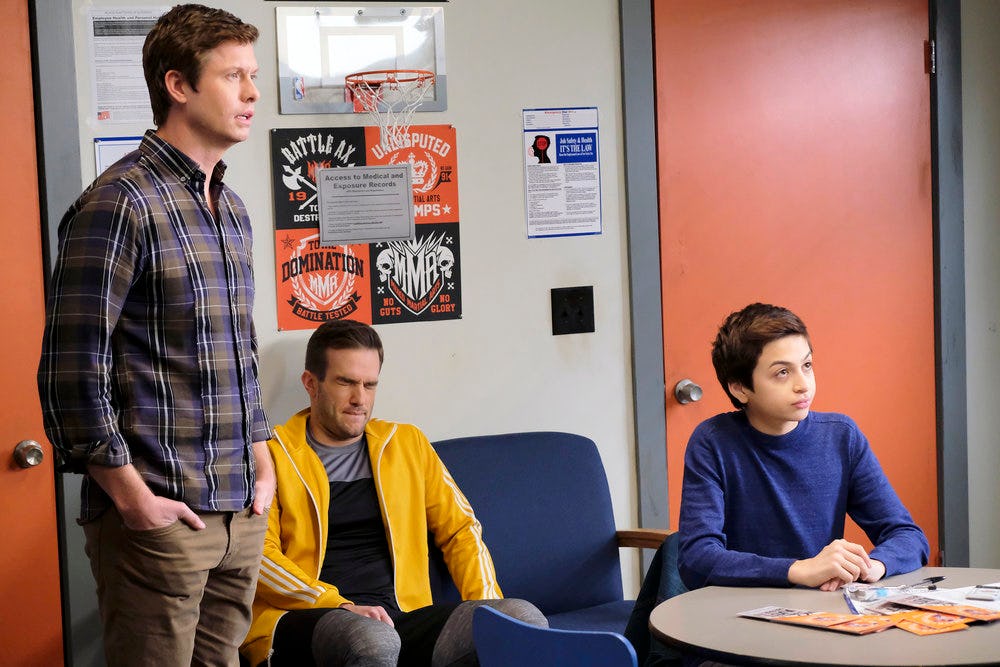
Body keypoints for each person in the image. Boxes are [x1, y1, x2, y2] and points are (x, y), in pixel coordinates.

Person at [37, 5, 273, 665]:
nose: (253, 93)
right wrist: (131, 497)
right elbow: (71, 371)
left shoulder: (231, 208)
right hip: (158, 517)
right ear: (178, 85)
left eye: (253, 76)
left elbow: (237, 351)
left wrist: (262, 457)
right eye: (233, 76)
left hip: (240, 513)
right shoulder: (120, 202)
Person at [242, 320, 546, 667]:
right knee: (372, 640)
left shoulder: (406, 444)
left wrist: (488, 610)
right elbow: (258, 555)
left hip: (402, 618)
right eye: (346, 382)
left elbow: (461, 530)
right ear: (311, 383)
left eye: (369, 385)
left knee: (521, 619)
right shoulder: (272, 455)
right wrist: (337, 603)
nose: (360, 399)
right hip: (309, 616)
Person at [677, 303, 929, 592]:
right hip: (737, 608)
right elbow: (696, 559)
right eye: (782, 372)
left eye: (807, 366)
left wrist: (871, 566)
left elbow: (908, 536)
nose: (803, 385)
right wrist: (797, 570)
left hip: (820, 607)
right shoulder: (713, 442)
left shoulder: (841, 436)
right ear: (740, 388)